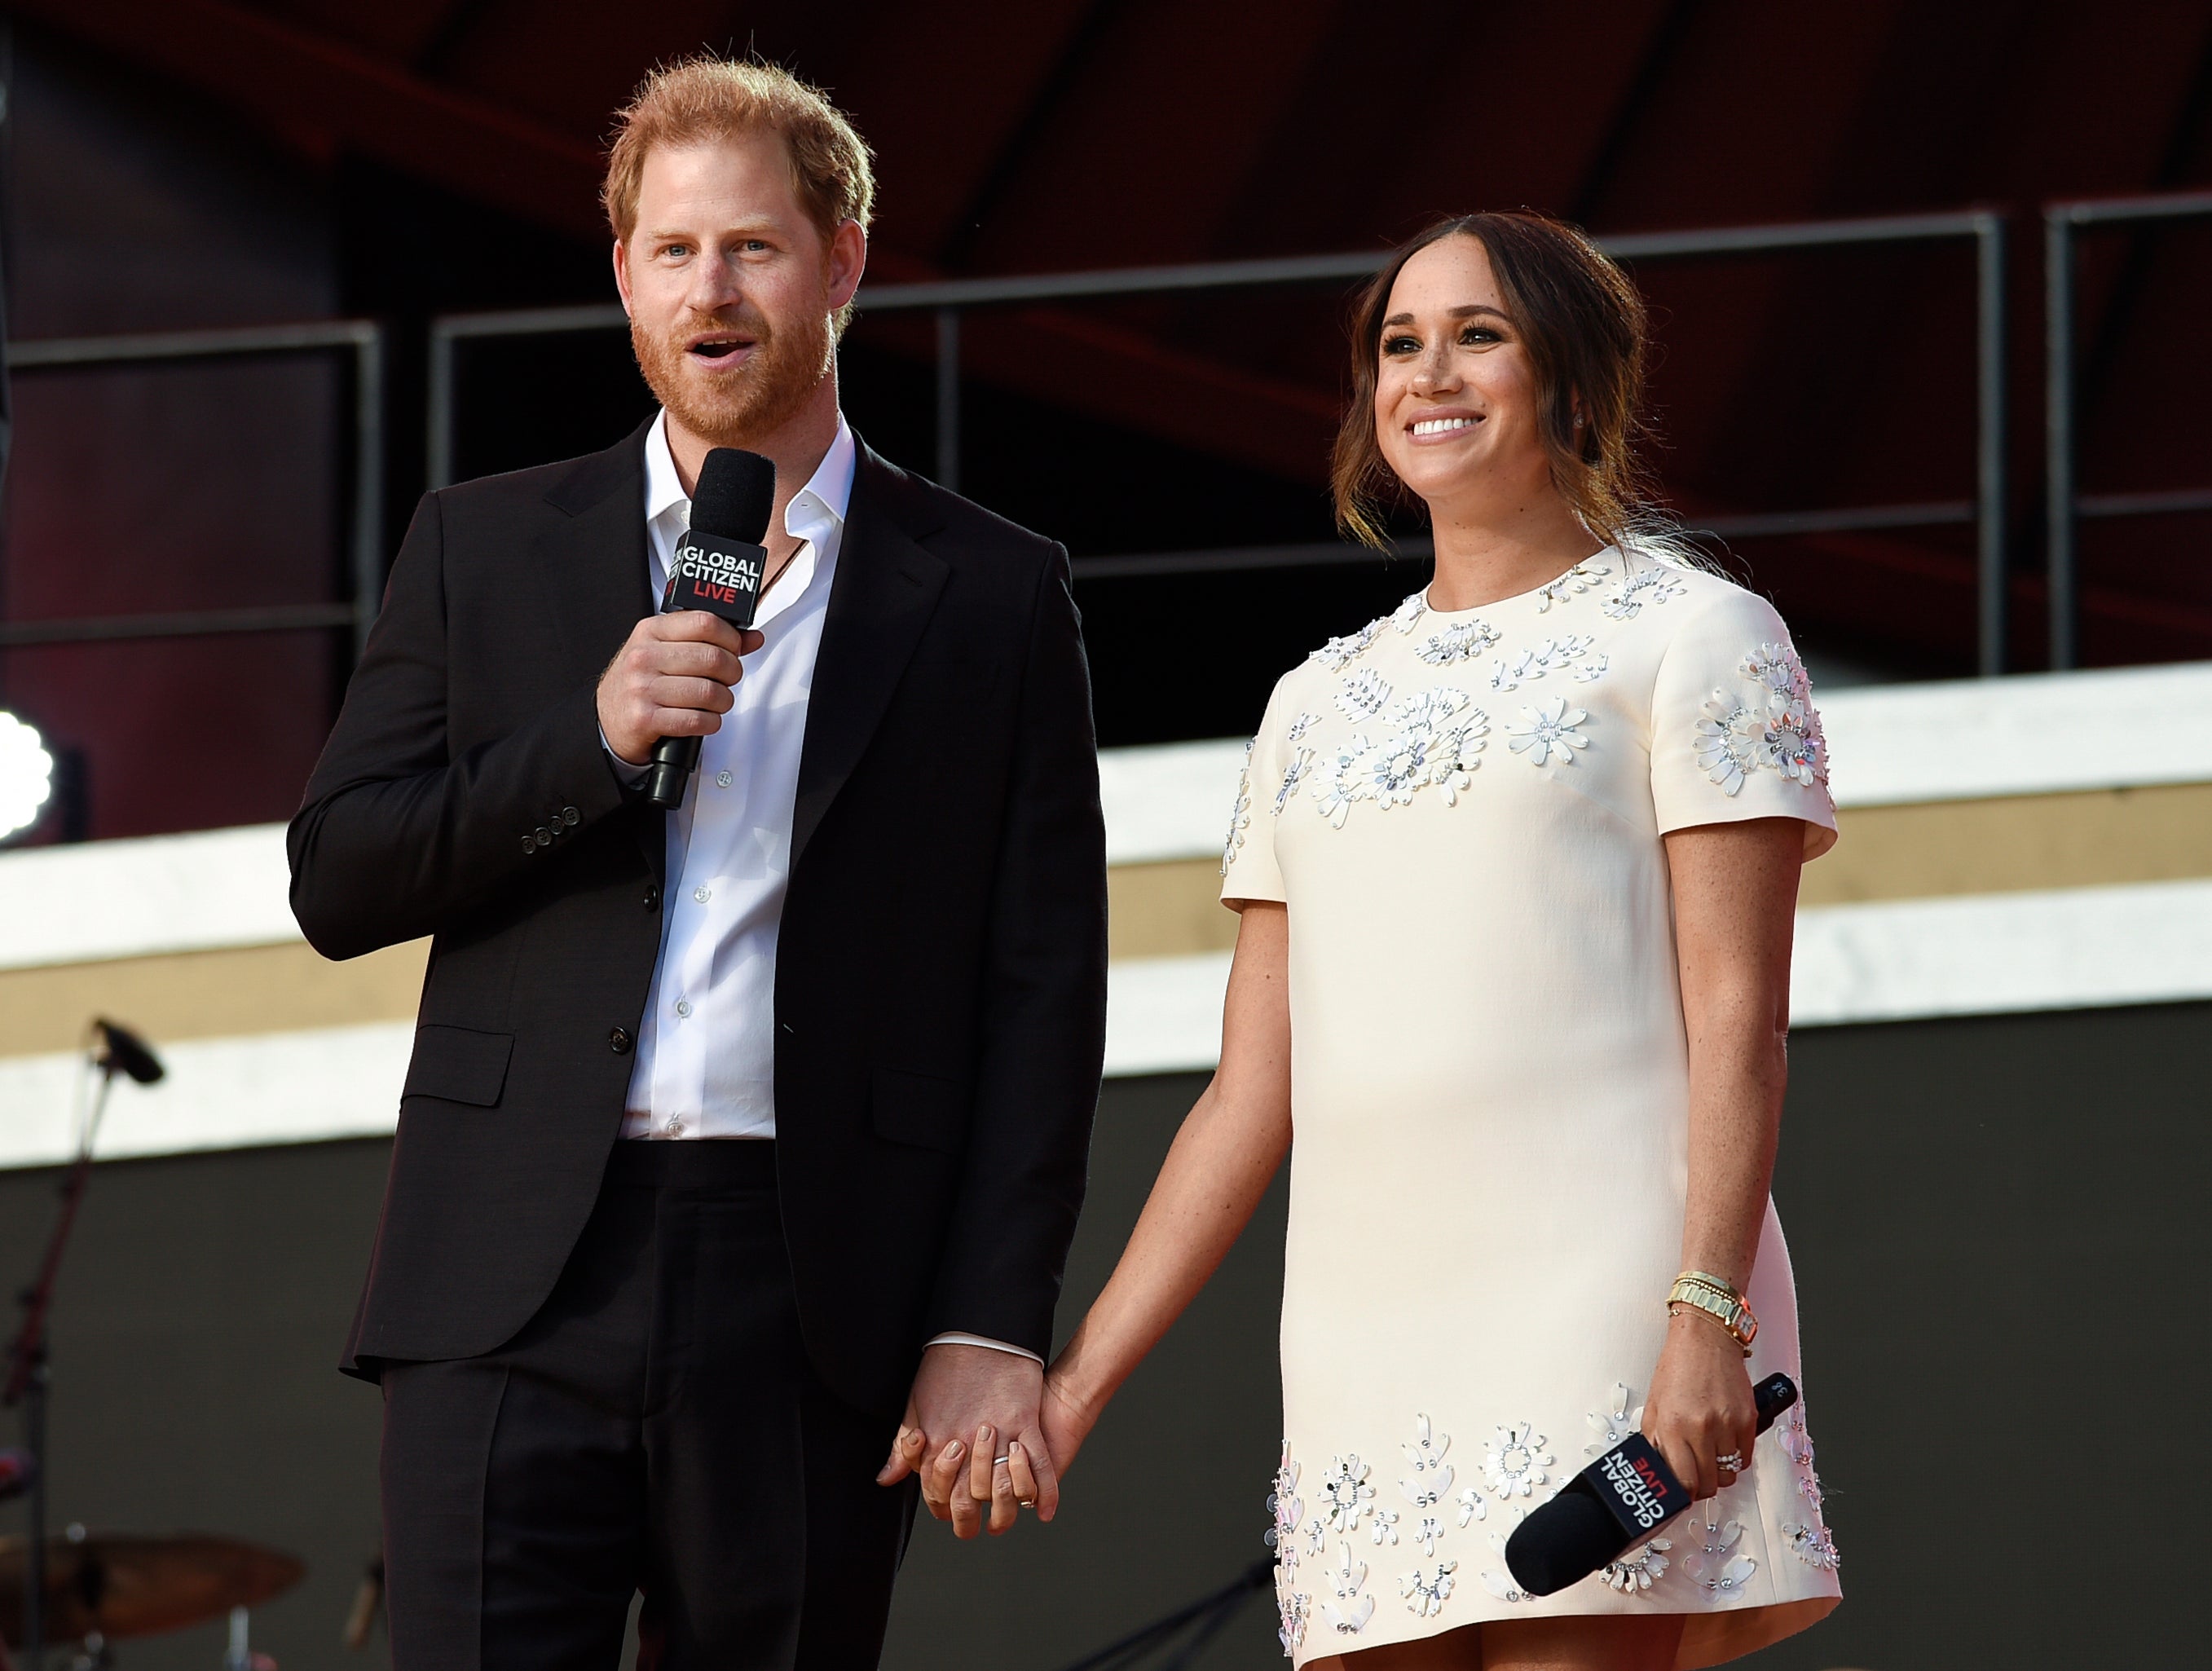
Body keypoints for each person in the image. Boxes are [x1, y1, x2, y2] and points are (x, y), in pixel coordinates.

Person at [289, 57, 1106, 1670]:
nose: (708, 287)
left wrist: (987, 1318)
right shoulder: (485, 539)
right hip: (506, 1280)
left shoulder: (992, 591)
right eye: (672, 250)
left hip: (809, 1287)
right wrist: (585, 742)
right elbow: (339, 874)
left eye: (752, 247)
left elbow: (1041, 993)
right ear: (622, 275)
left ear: (843, 262)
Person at [1038, 212, 1844, 1670]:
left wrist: (1705, 1313)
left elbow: (1739, 1022)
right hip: (1358, 1341)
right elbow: (1247, 1093)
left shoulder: (1696, 634)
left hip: (1610, 1296)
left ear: (1576, 378)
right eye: (1397, 344)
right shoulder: (1312, 700)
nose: (1428, 372)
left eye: (1480, 333)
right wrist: (1078, 1380)